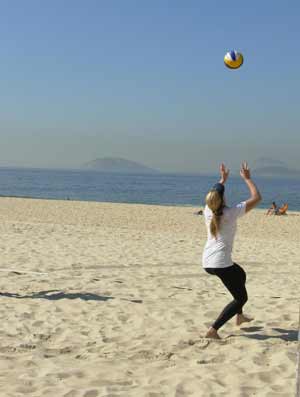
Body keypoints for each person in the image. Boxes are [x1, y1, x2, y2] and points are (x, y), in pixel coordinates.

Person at [202, 162, 262, 339]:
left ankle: (240, 316)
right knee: (241, 298)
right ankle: (213, 330)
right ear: (223, 199)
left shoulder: (207, 210)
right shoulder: (230, 213)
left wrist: (223, 179)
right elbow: (257, 197)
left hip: (207, 261)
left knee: (240, 274)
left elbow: (215, 193)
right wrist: (247, 178)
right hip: (220, 264)